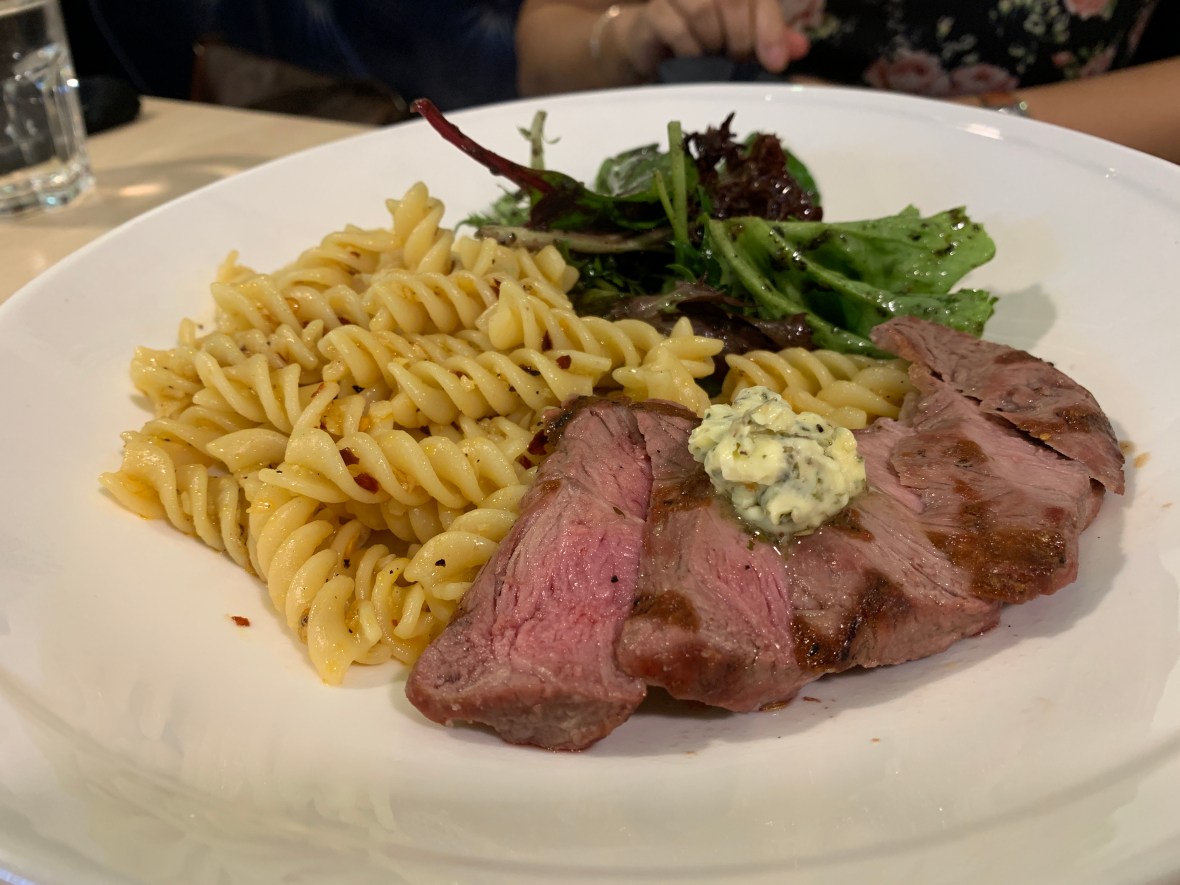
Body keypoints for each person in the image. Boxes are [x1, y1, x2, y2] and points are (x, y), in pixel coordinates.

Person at [515, 0, 1180, 163]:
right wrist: (633, 31)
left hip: (1049, 164)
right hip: (725, 172)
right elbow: (545, 49)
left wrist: (963, 125)